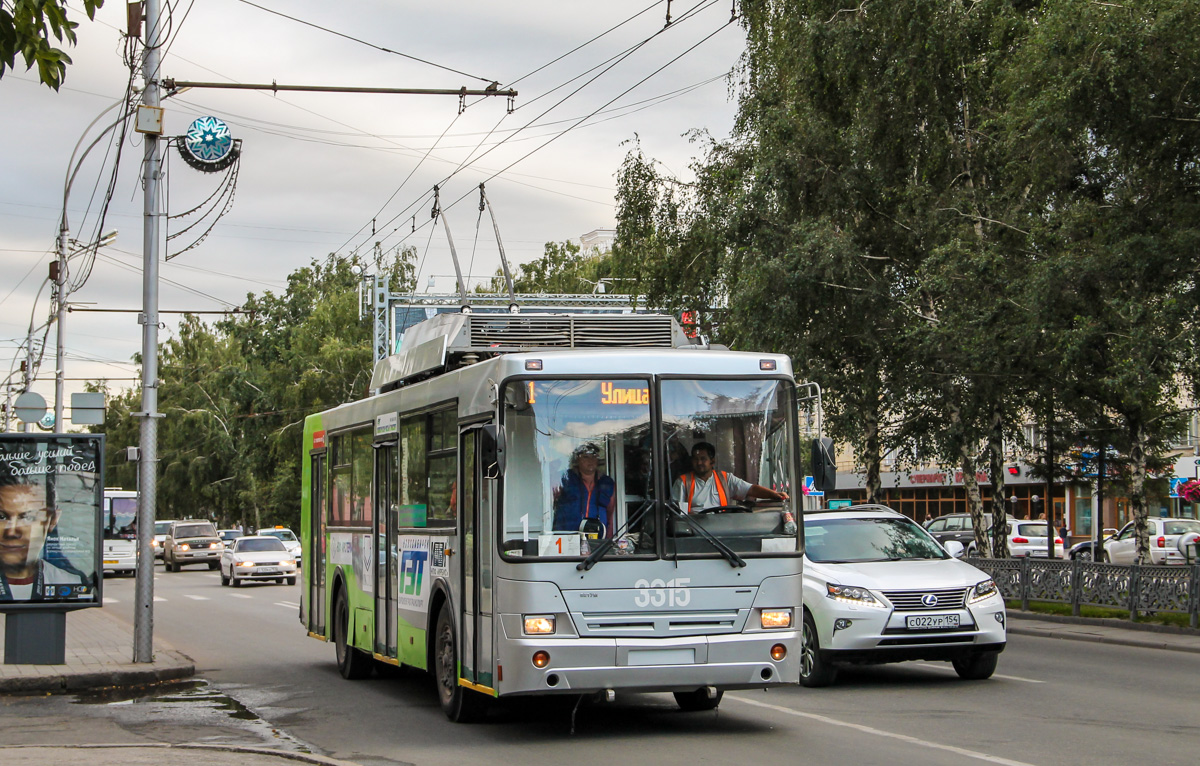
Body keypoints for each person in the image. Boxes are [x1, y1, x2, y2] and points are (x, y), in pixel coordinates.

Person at [0, 476, 85, 601]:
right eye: (1, 516)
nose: (12, 532)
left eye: (28, 517)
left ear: (53, 520)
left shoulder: (69, 582)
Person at [672, 441, 790, 513]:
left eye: (703, 459)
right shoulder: (682, 482)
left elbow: (751, 489)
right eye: (695, 459)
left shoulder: (725, 478)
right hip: (696, 533)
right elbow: (677, 513)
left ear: (712, 461)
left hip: (724, 530)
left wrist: (773, 494)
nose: (699, 463)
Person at [553, 443, 616, 535]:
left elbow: (610, 516)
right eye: (585, 457)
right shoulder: (564, 478)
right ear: (578, 460)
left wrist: (608, 542)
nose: (590, 460)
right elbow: (552, 505)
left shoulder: (607, 483)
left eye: (594, 457)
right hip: (567, 537)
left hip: (597, 539)